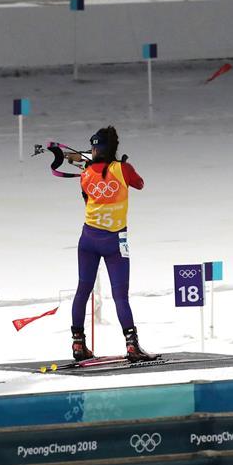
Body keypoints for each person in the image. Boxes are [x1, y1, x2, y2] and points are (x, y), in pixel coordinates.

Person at [65, 126, 155, 362]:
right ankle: (132, 345)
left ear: (94, 149)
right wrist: (120, 166)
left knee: (82, 291)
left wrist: (86, 160)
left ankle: (77, 343)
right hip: (115, 242)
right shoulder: (122, 169)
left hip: (88, 239)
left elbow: (87, 191)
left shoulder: (85, 175)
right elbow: (140, 183)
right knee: (120, 295)